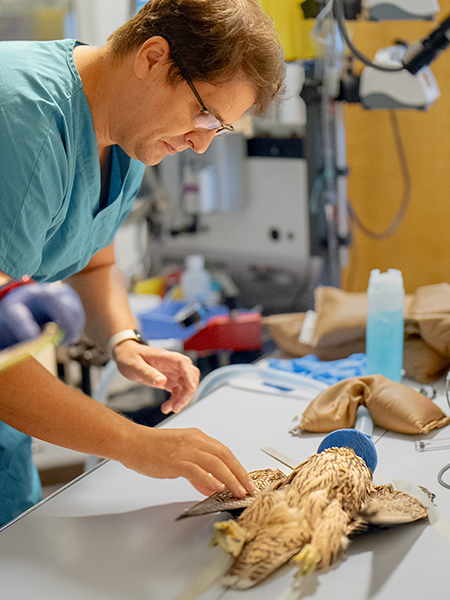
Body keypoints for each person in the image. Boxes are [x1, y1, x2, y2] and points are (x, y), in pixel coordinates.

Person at [0, 0, 285, 527]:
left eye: (218, 129)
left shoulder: (125, 134)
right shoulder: (21, 119)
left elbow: (92, 258)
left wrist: (123, 342)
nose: (201, 145)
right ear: (153, 58)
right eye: (205, 114)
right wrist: (137, 443)